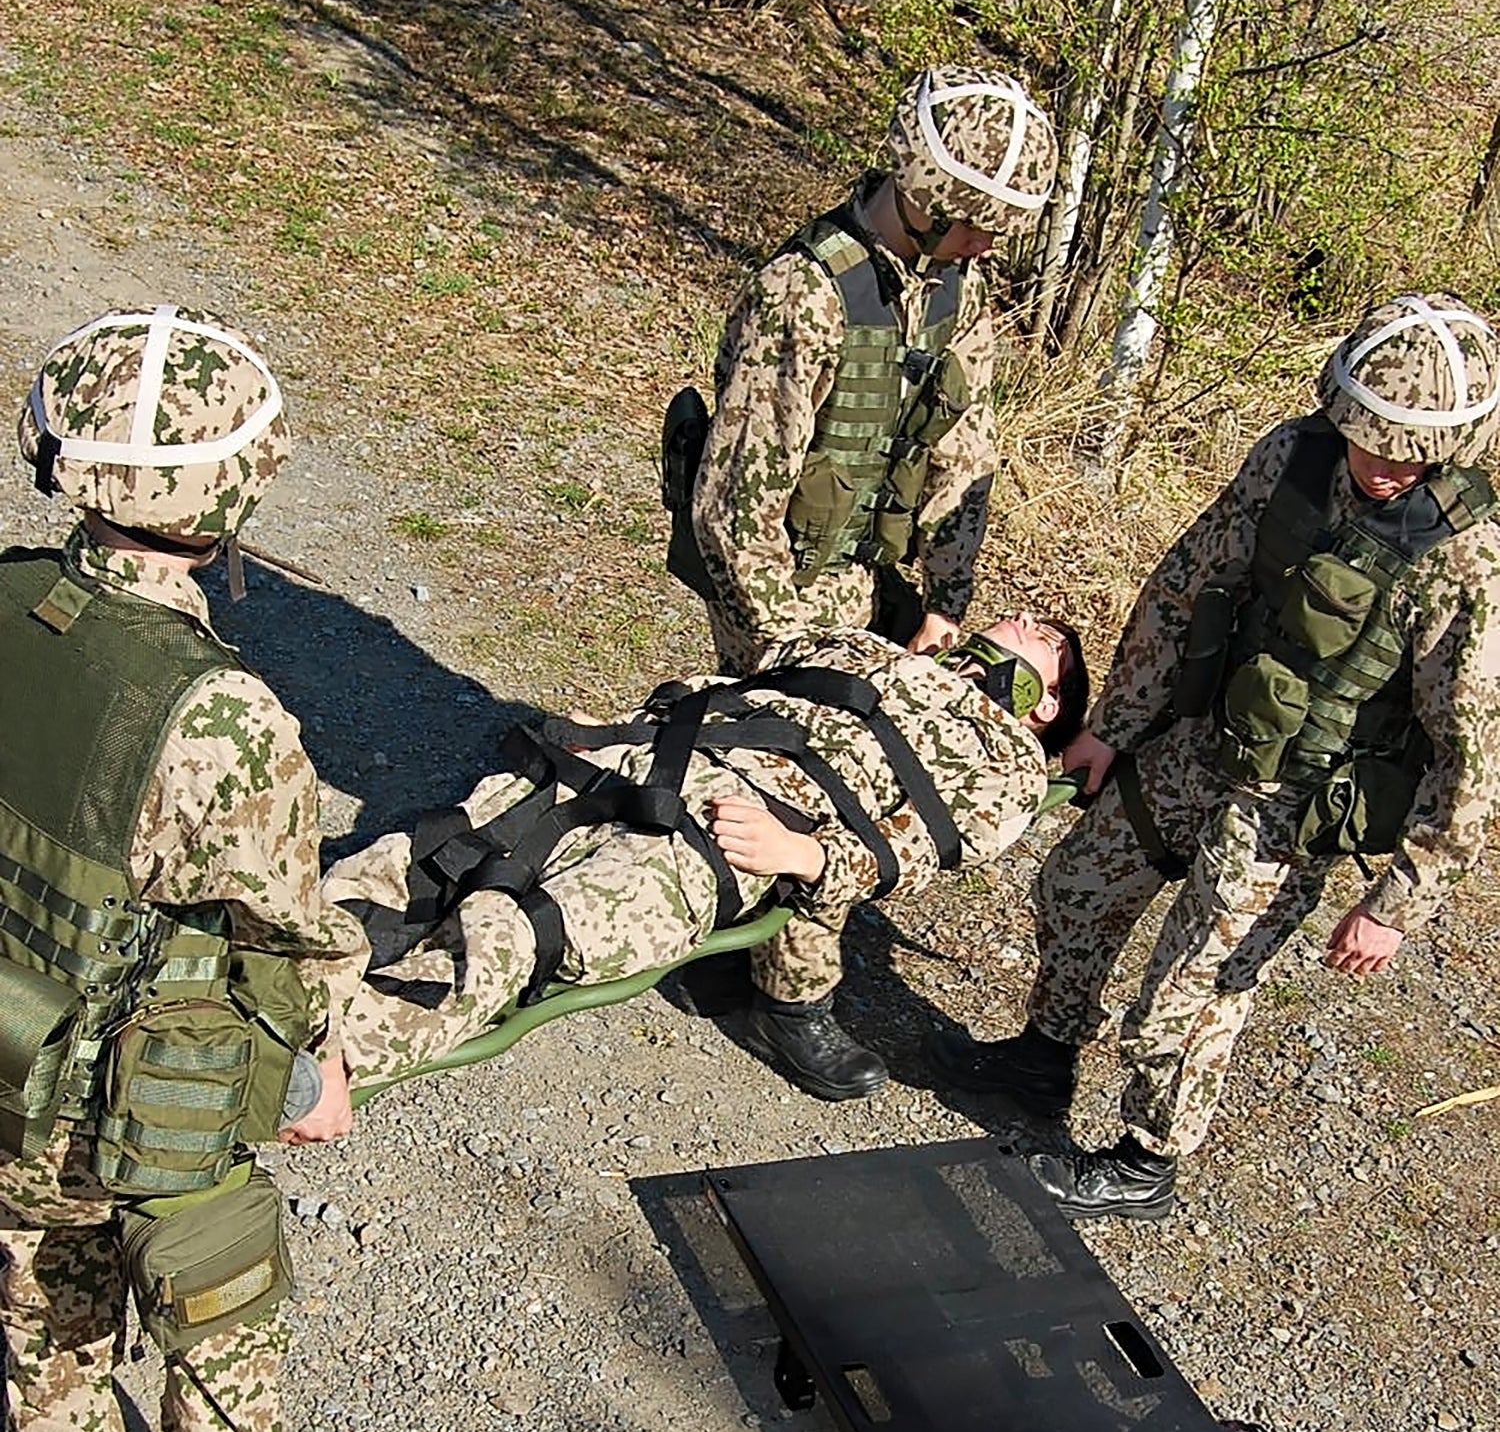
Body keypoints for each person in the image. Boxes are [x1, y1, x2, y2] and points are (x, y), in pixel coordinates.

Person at [930, 292, 1500, 1223]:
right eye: (1371, 440)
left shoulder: (1466, 564)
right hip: (1208, 739)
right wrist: (1112, 725)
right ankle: (1042, 1057)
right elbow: (1182, 584)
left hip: (1302, 797)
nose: (1387, 468)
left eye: (1411, 453)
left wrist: (1401, 900)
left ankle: (1146, 1160)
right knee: (1078, 883)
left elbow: (1470, 752)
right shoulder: (1291, 459)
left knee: (1188, 992)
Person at [1, 306, 368, 1432]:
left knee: (40, 1261)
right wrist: (313, 1071)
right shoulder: (222, 719)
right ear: (234, 499)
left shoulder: (4, 601)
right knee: (218, 1272)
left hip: (5, 1046)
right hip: (120, 1089)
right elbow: (284, 932)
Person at [662, 65, 1060, 1101]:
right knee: (809, 763)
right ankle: (788, 995)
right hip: (781, 580)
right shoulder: (804, 297)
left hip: (866, 579)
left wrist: (943, 607)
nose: (988, 250)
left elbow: (962, 461)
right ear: (927, 204)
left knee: (836, 764)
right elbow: (733, 507)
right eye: (978, 228)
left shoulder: (954, 292)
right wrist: (787, 648)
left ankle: (724, 929)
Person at [323, 615, 1088, 1095]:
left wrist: (808, 856)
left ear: (1046, 703)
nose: (1023, 618)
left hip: (730, 830)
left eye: (1047, 639)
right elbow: (751, 673)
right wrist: (622, 727)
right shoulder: (865, 646)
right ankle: (266, 962)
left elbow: (923, 847)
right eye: (1022, 612)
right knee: (437, 853)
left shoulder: (1006, 756)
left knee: (519, 928)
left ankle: (320, 1062)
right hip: (651, 758)